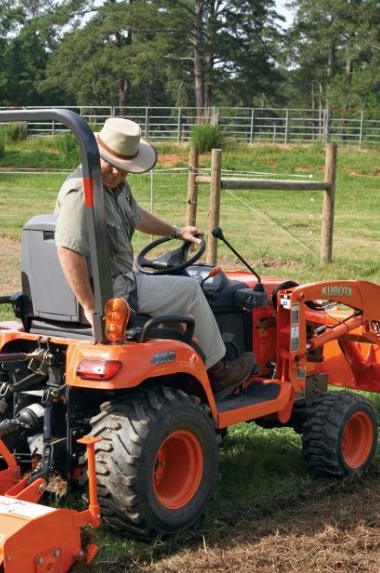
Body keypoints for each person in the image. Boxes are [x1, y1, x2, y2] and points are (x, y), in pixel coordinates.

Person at [54, 117, 253, 399]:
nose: (115, 171)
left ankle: (182, 363)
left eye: (123, 167)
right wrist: (89, 306)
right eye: (109, 162)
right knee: (190, 290)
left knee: (167, 289)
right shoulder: (80, 193)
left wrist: (176, 231)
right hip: (114, 292)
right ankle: (218, 372)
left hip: (118, 281)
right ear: (94, 152)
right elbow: (68, 250)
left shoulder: (115, 187)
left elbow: (136, 215)